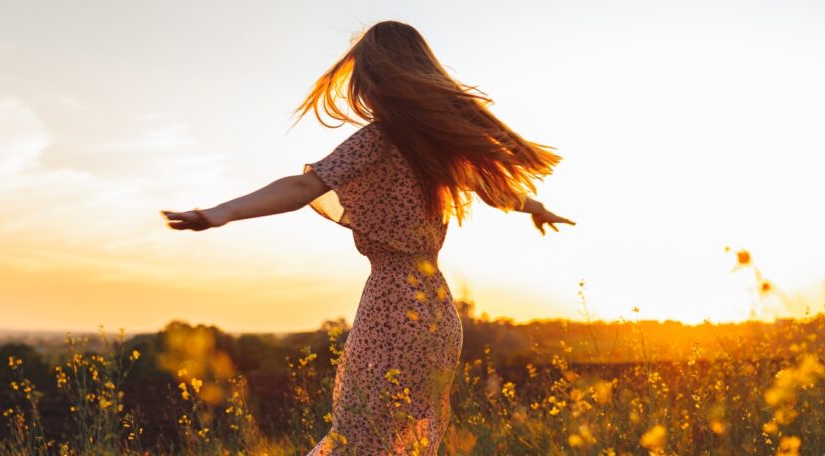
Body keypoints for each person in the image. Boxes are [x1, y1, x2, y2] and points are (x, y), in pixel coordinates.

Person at [161, 20, 573, 454]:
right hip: (435, 309)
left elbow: (304, 188)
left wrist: (223, 212)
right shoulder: (436, 147)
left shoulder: (379, 139)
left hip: (393, 304)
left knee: (360, 437)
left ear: (377, 81)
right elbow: (497, 192)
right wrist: (537, 209)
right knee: (402, 439)